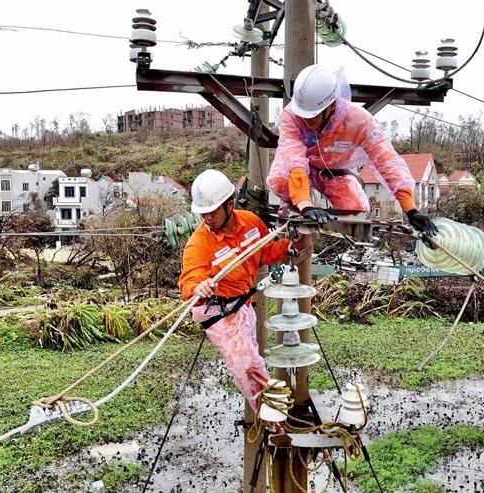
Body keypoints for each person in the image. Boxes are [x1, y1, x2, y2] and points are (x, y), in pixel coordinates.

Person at [266, 63, 438, 238]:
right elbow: (293, 159)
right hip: (296, 169)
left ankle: (330, 232)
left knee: (354, 207)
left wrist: (410, 208)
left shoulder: (359, 121)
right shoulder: (291, 115)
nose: (306, 121)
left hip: (331, 172)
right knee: (282, 181)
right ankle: (292, 215)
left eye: (312, 117)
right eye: (303, 115)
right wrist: (304, 204)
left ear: (331, 106)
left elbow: (386, 160)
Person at [178, 169, 296, 412]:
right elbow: (189, 279)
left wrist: (291, 245)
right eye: (203, 213)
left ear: (229, 205)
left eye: (212, 212)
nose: (207, 218)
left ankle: (270, 414)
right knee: (247, 365)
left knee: (252, 358)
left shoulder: (250, 223)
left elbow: (266, 253)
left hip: (242, 305)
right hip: (217, 310)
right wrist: (199, 286)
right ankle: (272, 417)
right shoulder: (199, 244)